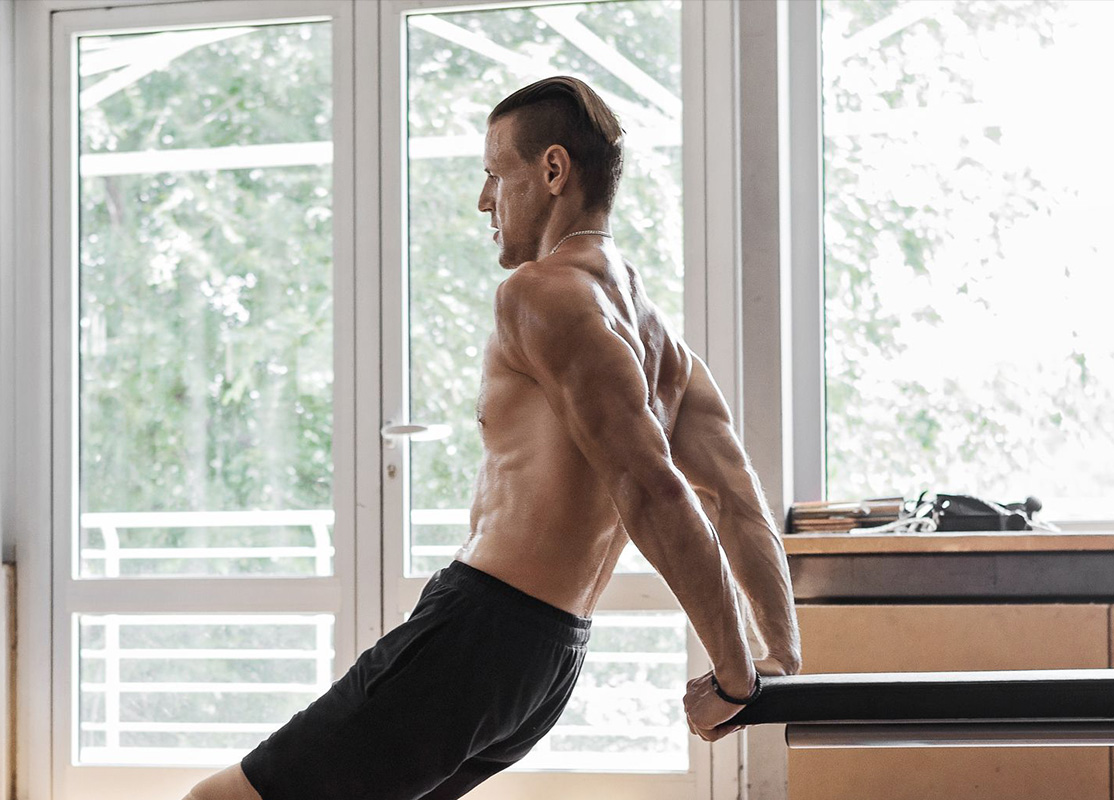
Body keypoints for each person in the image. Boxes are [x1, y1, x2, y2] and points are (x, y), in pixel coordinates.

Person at [183, 75, 801, 800]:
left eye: (492, 174)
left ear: (552, 170)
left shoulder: (542, 292)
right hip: (546, 660)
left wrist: (736, 677)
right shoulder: (656, 334)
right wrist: (779, 657)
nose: (484, 200)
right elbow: (736, 500)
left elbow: (652, 489)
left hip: (481, 634)